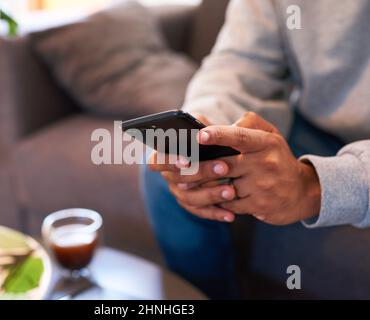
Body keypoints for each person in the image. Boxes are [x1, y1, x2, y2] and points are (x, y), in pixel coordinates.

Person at [142, 0, 370, 298]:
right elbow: (239, 63)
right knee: (176, 171)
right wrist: (207, 130)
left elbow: (318, 185)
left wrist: (316, 185)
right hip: (316, 128)